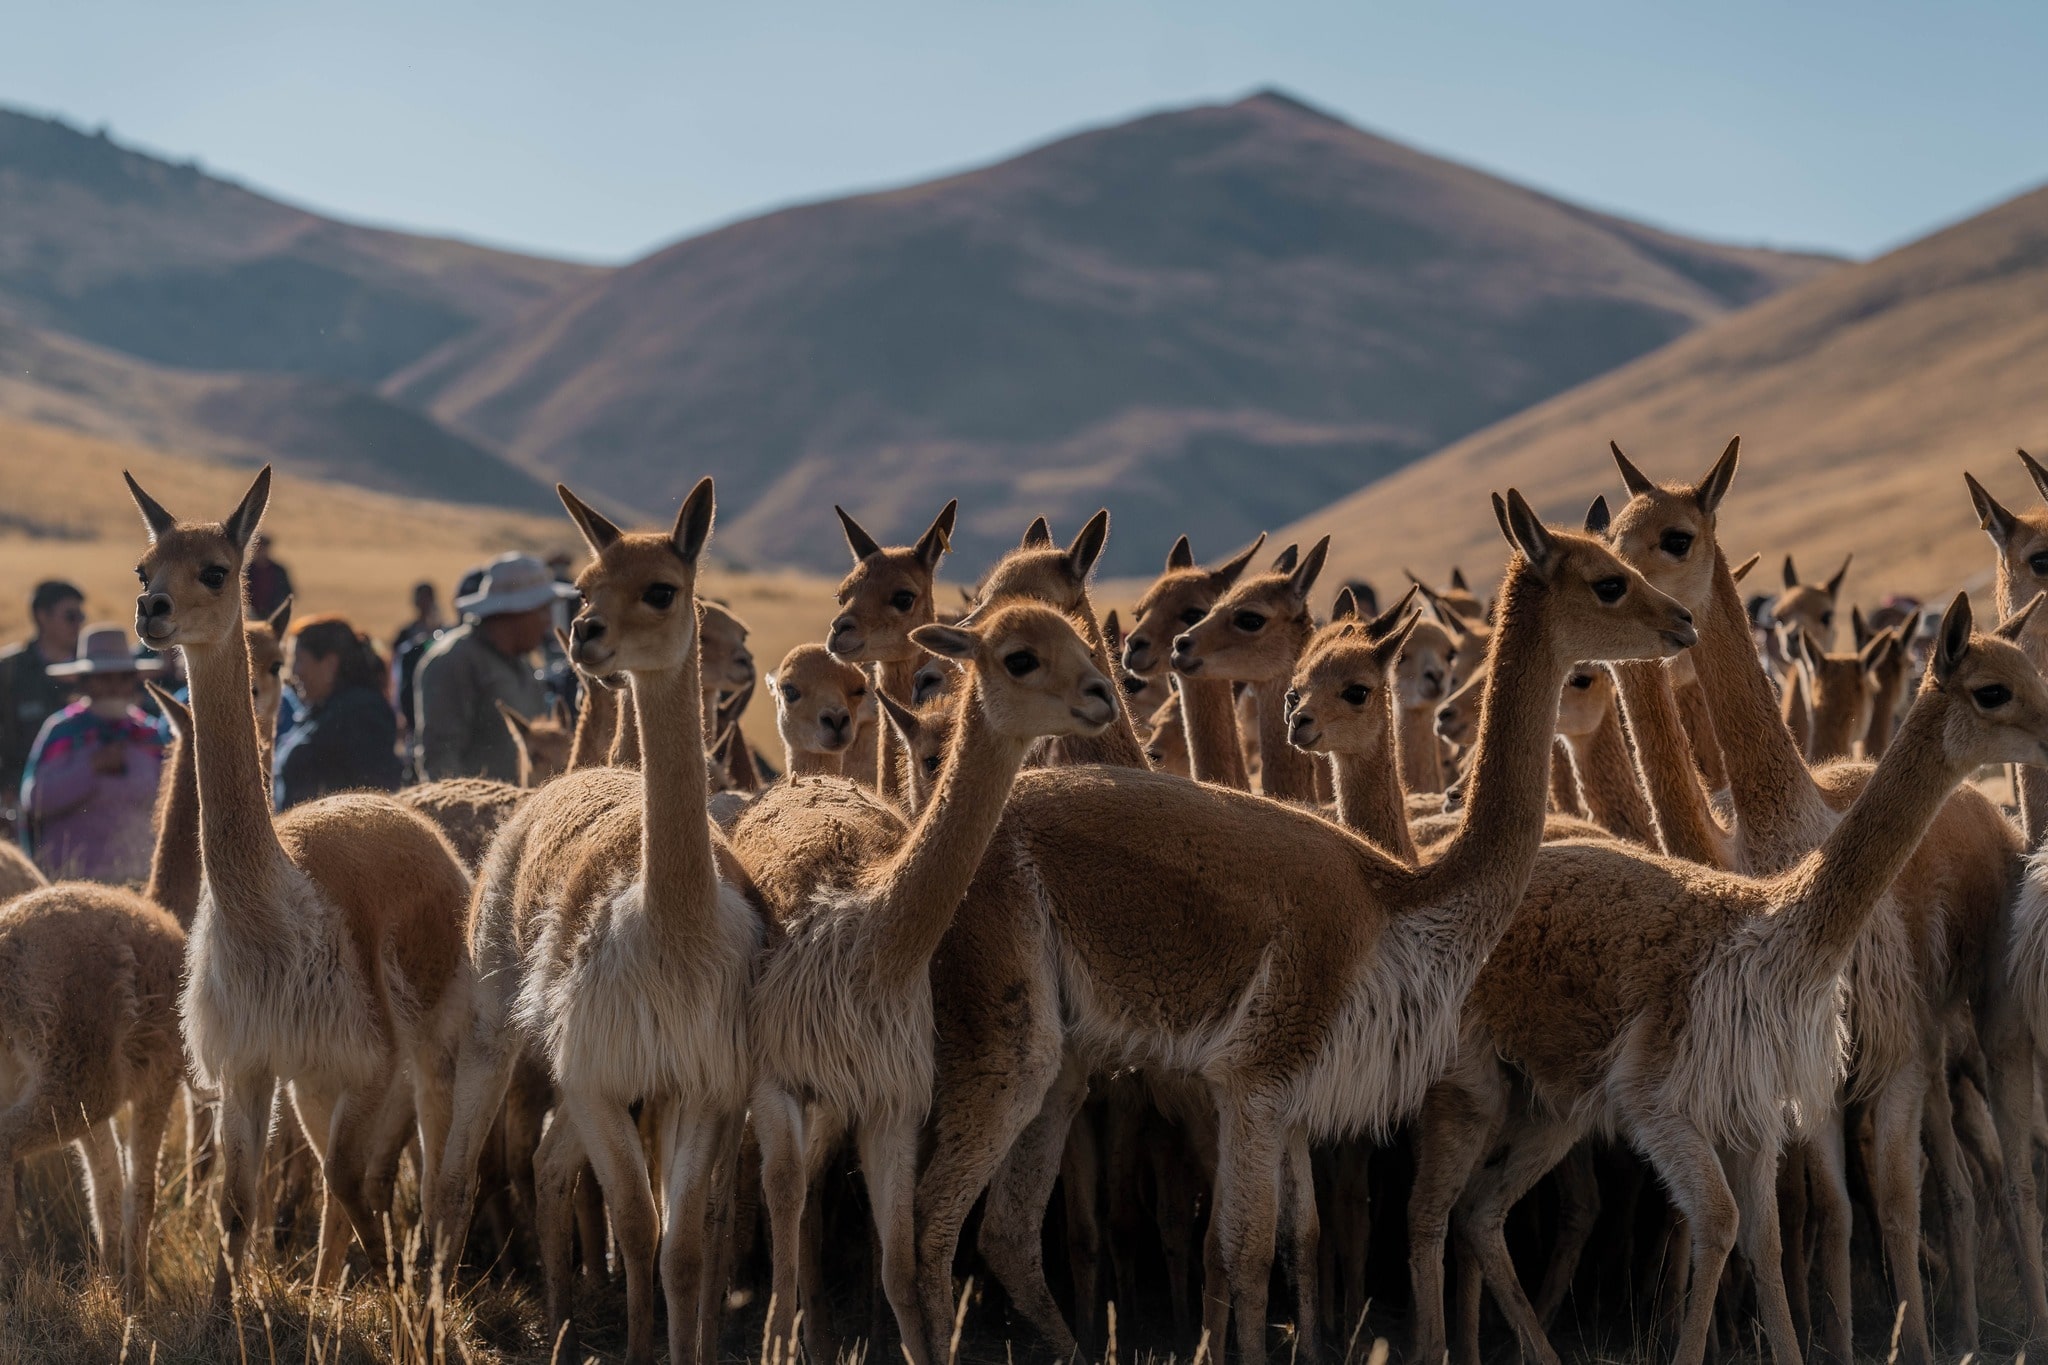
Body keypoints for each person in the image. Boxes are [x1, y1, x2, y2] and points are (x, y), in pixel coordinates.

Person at [18, 625, 166, 882]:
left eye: (122, 678)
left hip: (141, 879)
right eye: (104, 678)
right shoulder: (62, 731)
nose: (115, 687)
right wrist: (90, 767)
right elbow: (35, 800)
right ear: (84, 682)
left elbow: (168, 801)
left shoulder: (149, 735)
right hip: (72, 881)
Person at [414, 553, 572, 783]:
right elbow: (440, 759)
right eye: (542, 611)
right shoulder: (453, 662)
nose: (548, 622)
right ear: (514, 612)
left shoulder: (523, 666)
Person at [274, 615, 404, 809]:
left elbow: (374, 794)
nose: (293, 672)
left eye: (298, 659)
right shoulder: (322, 711)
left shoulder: (362, 713)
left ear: (329, 664)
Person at [0, 580, 86, 837]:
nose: (78, 623)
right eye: (70, 616)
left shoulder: (95, 673)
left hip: (82, 800)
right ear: (42, 616)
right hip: (19, 806)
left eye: (81, 616)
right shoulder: (9, 671)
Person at [244, 534, 295, 619]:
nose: (261, 551)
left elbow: (288, 592)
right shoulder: (247, 571)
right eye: (258, 548)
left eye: (263, 548)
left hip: (274, 613)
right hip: (251, 614)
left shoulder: (278, 570)